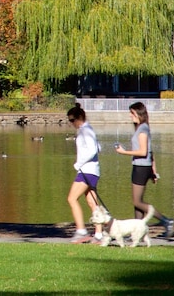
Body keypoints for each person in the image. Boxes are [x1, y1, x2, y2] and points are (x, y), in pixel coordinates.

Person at [113, 101, 174, 238]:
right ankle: (137, 232)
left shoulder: (142, 129)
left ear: (139, 114)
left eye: (132, 113)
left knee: (137, 202)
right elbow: (150, 152)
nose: (130, 116)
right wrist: (154, 171)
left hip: (141, 167)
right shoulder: (143, 128)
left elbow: (143, 152)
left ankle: (166, 221)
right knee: (138, 202)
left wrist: (123, 152)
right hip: (143, 167)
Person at [66, 104, 104, 243]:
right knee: (91, 201)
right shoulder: (88, 129)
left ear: (80, 118)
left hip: (87, 171)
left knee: (71, 198)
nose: (71, 123)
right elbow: (99, 147)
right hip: (92, 170)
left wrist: (79, 163)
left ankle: (81, 231)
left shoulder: (85, 131)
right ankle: (99, 235)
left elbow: (93, 150)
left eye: (72, 120)